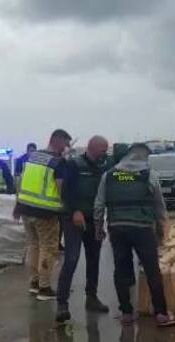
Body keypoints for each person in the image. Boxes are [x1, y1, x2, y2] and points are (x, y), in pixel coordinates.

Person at [94, 143, 175, 327]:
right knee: (151, 270)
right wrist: (162, 230)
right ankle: (161, 313)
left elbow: (99, 205)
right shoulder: (149, 174)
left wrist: (98, 228)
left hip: (117, 228)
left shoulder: (109, 175)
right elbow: (159, 206)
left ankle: (126, 312)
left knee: (121, 269)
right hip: (142, 228)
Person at [55, 135, 111, 323]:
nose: (105, 153)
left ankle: (91, 297)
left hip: (93, 219)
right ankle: (62, 303)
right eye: (103, 150)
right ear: (92, 148)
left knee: (94, 258)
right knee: (71, 259)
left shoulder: (103, 167)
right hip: (74, 218)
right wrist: (75, 210)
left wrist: (101, 222)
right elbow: (65, 191)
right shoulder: (74, 165)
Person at [14, 129, 72, 301]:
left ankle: (34, 283)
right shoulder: (58, 162)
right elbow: (62, 188)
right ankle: (44, 288)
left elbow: (21, 182)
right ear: (57, 141)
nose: (67, 147)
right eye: (66, 143)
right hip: (45, 212)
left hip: (26, 208)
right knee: (48, 248)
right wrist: (68, 207)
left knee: (33, 246)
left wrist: (18, 205)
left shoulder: (33, 157)